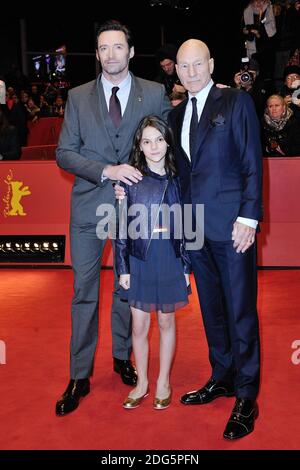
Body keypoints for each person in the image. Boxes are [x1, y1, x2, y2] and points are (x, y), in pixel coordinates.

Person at [55, 20, 171, 416]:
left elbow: (169, 146)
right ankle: (78, 375)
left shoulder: (155, 94)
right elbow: (65, 153)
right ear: (97, 53)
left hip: (136, 211)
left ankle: (123, 357)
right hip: (89, 208)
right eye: (103, 48)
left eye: (118, 47)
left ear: (131, 52)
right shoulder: (77, 97)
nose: (110, 54)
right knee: (84, 291)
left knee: (128, 291)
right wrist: (108, 170)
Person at [170, 39, 262, 440]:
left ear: (210, 64)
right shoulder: (174, 117)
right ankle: (222, 376)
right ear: (175, 70)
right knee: (211, 309)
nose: (191, 72)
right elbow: (178, 175)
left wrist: (249, 216)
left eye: (197, 64)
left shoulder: (236, 102)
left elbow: (252, 163)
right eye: (183, 66)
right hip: (195, 229)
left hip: (232, 226)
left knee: (240, 309)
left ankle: (246, 394)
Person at [116, 115, 191, 410]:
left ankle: (163, 381)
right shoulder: (130, 179)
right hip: (139, 258)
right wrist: (122, 268)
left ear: (167, 141)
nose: (154, 146)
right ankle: (142, 382)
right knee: (138, 326)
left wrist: (186, 266)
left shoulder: (179, 178)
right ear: (140, 145)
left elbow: (188, 225)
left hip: (170, 257)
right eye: (147, 141)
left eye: (159, 139)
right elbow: (121, 227)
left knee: (166, 320)